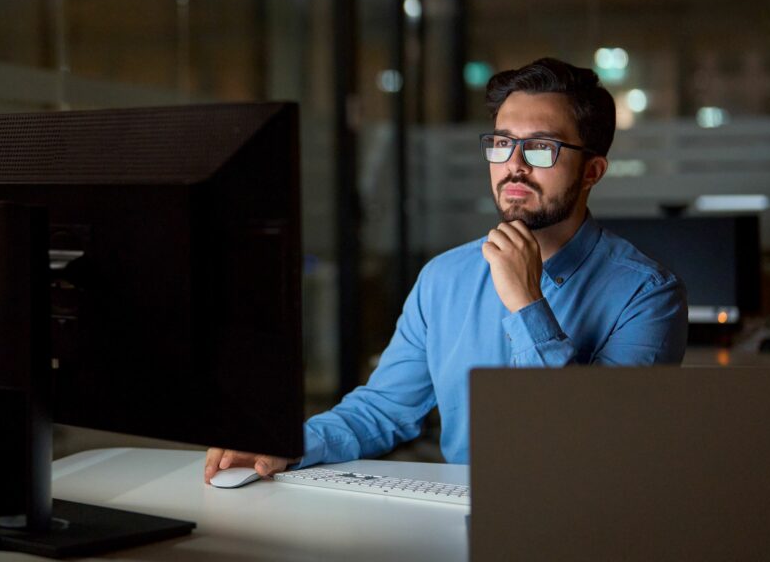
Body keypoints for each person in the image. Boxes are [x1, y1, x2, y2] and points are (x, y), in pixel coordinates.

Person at [205, 57, 687, 483]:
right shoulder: (445, 277)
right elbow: (383, 409)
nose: (513, 166)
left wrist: (527, 303)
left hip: (580, 524)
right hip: (460, 516)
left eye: (541, 149)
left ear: (592, 172)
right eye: (501, 144)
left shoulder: (647, 294)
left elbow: (584, 449)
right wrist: (285, 444)